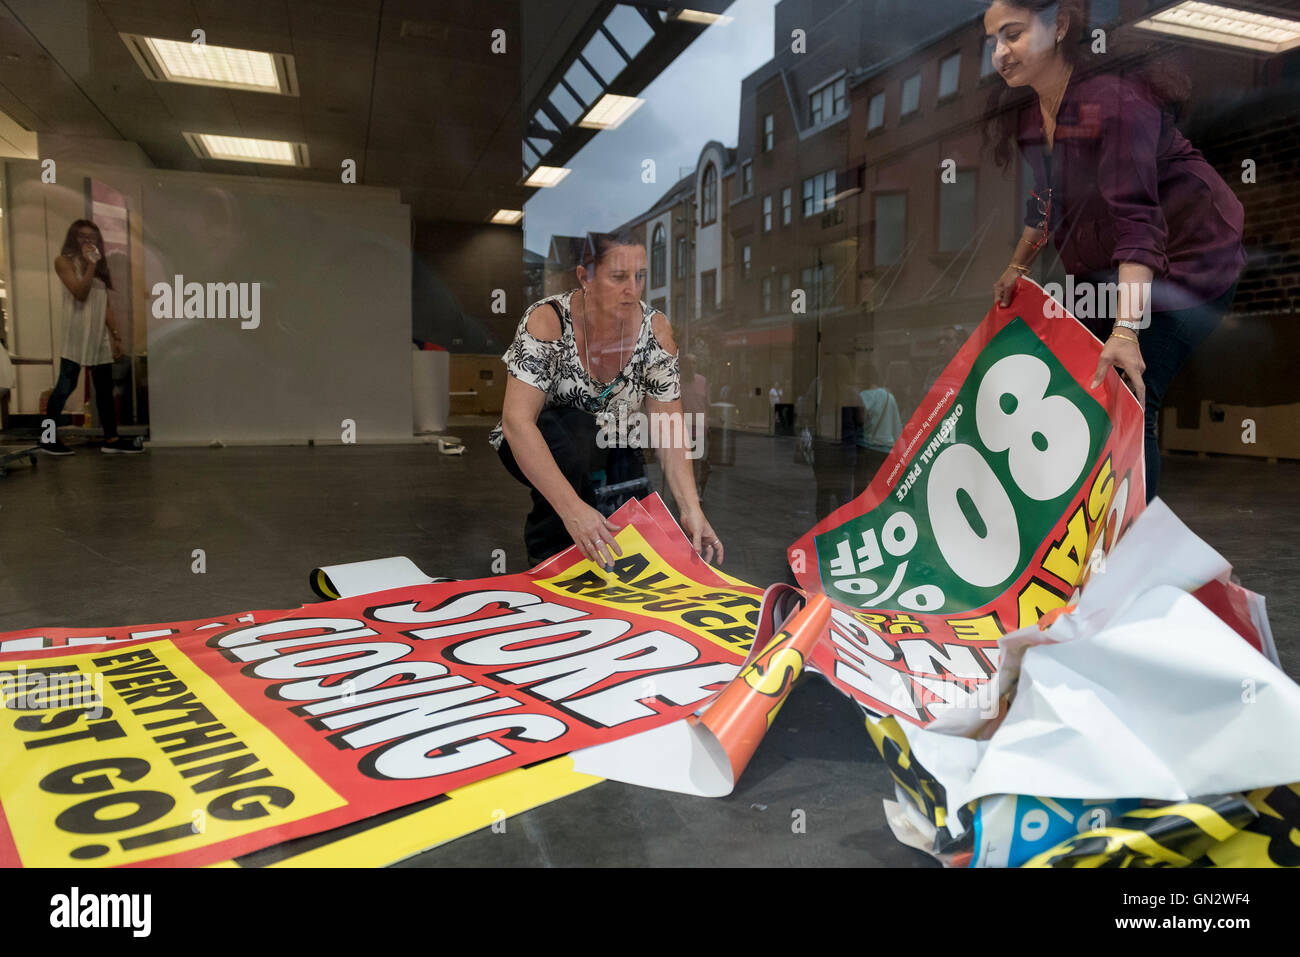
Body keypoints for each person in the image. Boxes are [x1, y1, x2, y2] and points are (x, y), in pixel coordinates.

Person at [984, 0, 1244, 500]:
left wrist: (1126, 330)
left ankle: (1130, 557)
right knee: (1081, 389)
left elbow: (1138, 221)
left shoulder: (1113, 104)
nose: (1000, 53)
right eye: (992, 41)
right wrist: (1018, 265)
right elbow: (1045, 197)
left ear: (1059, 26)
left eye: (1012, 34)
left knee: (1127, 393)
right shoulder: (1034, 118)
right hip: (1113, 268)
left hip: (1191, 262)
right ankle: (1082, 541)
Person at [490, 230, 723, 568]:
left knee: (628, 531)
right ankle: (547, 558)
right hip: (539, 440)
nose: (632, 289)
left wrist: (691, 508)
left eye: (639, 276)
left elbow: (668, 426)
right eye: (618, 277)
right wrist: (574, 512)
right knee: (577, 436)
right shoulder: (548, 320)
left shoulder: (654, 331)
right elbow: (516, 421)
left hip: (612, 442)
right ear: (585, 277)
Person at [41, 220, 143, 455]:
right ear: (73, 238)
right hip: (77, 333)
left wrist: (116, 336)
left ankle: (111, 438)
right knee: (65, 387)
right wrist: (89, 265)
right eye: (82, 237)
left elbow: (104, 303)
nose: (88, 242)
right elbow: (80, 293)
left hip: (98, 335)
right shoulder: (64, 261)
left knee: (104, 389)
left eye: (93, 237)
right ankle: (47, 437)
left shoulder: (99, 265)